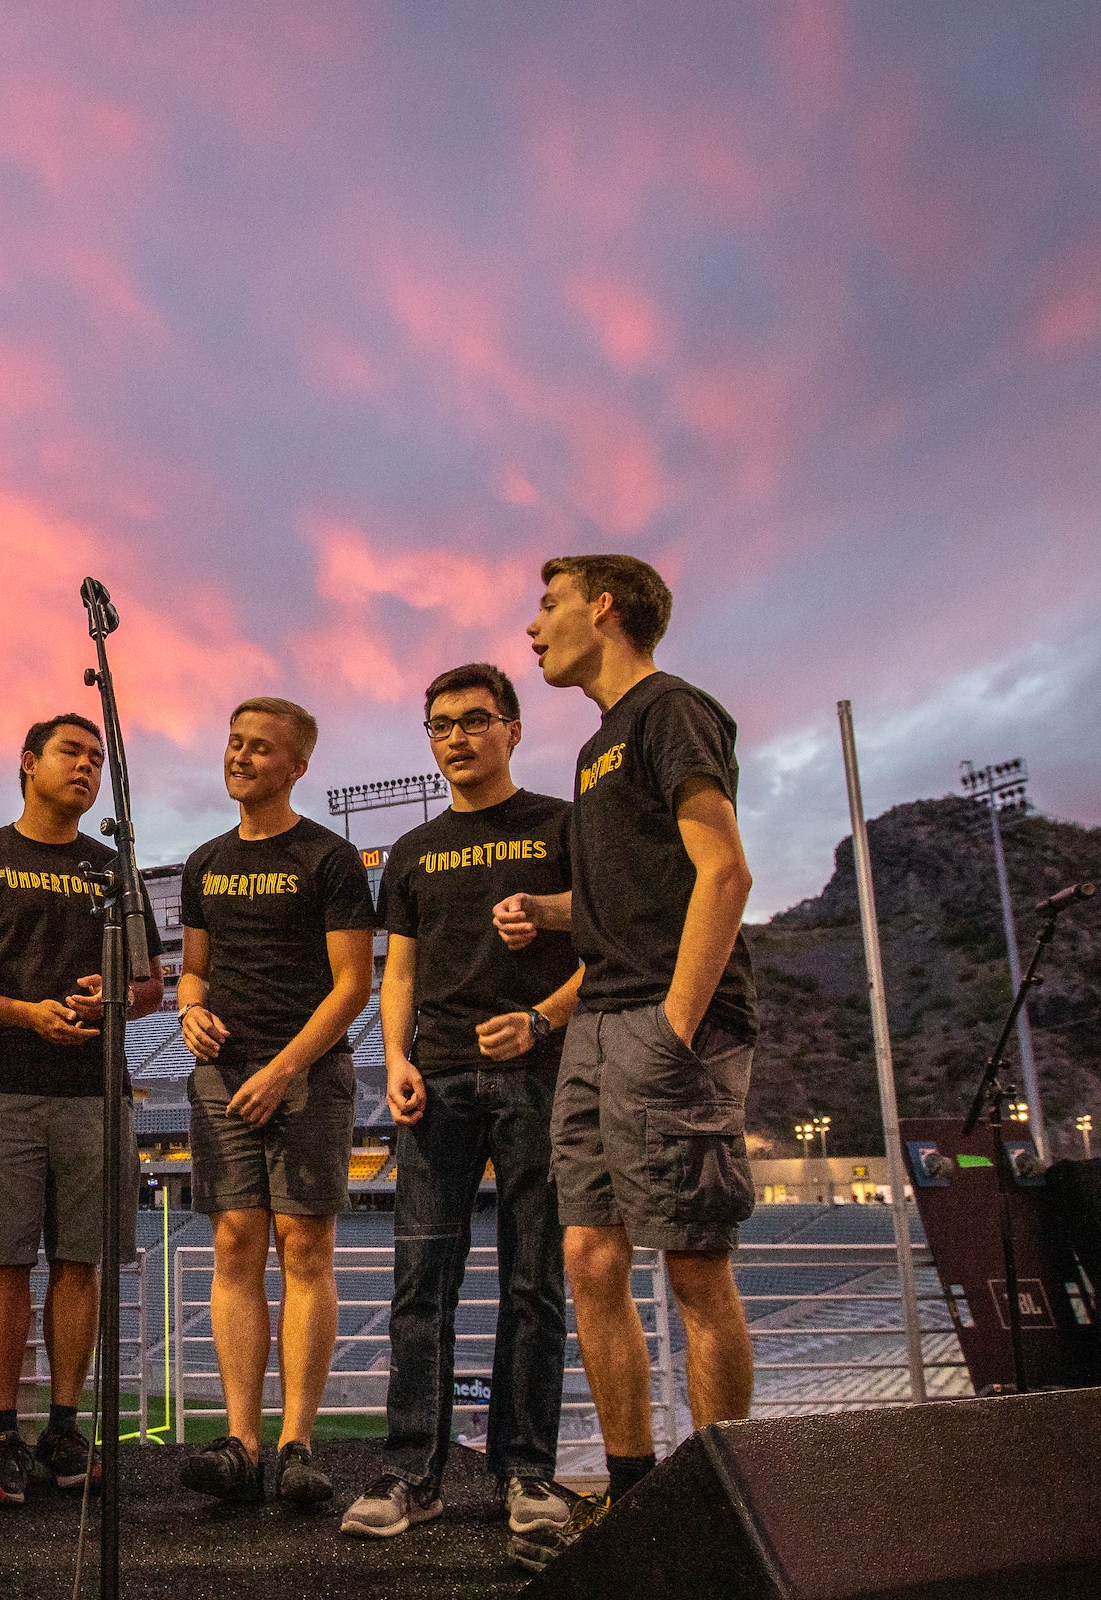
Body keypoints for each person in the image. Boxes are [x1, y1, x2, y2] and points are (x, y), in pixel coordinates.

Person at [498, 554, 757, 1561]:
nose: (533, 626)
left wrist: (677, 1026)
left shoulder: (670, 710)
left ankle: (726, 1512)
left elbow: (723, 870)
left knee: (694, 1266)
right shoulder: (599, 747)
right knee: (589, 1256)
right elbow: (625, 895)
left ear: (602, 608)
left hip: (664, 1019)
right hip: (597, 1020)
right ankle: (637, 1496)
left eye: (548, 604)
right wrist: (550, 910)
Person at [336, 664, 581, 1568]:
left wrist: (543, 1018)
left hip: (539, 1075)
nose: (456, 738)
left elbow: (613, 941)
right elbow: (396, 971)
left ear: (513, 728)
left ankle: (527, 1474)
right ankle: (411, 1475)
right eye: (440, 725)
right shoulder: (412, 850)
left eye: (475, 721)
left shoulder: (563, 824)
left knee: (532, 1284)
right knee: (419, 1287)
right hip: (434, 1078)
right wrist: (395, 1060)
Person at [0, 714, 164, 1506]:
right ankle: (1, 1435)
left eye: (97, 758)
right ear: (28, 763)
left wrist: (114, 1002)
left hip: (93, 1093)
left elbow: (151, 985)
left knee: (81, 1263)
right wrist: (25, 1013)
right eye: (71, 752)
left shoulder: (114, 868)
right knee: (2, 1262)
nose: (87, 766)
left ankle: (65, 1426)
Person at [175, 698, 375, 1509]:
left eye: (260, 748)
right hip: (225, 1074)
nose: (241, 757)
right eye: (234, 742)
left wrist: (289, 1068)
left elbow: (354, 984)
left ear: (297, 766)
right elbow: (193, 969)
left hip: (309, 1076)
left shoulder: (330, 859)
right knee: (233, 1245)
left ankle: (296, 1443)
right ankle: (240, 1443)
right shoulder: (204, 861)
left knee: (303, 1250)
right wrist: (190, 1009)